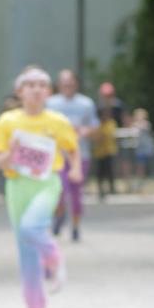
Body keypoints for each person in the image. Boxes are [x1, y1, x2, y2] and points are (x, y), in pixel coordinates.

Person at [0, 67, 81, 308]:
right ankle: (35, 304)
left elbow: (72, 150)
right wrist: (12, 152)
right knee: (25, 248)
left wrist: (75, 169)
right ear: (20, 91)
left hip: (47, 184)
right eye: (30, 85)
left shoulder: (58, 121)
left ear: (49, 91)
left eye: (42, 85)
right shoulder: (7, 121)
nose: (36, 89)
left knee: (32, 227)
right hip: (17, 185)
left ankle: (53, 256)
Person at [46, 69, 97, 242]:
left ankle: (75, 227)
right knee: (59, 191)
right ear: (59, 85)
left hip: (79, 155)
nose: (67, 86)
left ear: (76, 83)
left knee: (76, 194)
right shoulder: (50, 103)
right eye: (64, 83)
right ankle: (59, 217)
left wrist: (84, 131)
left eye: (70, 82)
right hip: (57, 156)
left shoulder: (86, 103)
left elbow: (94, 127)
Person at [92, 106, 118, 200]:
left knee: (110, 171)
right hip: (99, 152)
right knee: (100, 173)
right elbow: (97, 138)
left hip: (109, 151)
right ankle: (101, 190)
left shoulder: (111, 124)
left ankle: (112, 188)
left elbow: (108, 136)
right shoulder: (97, 125)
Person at [130, 108, 154, 192]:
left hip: (145, 150)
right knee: (140, 167)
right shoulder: (135, 125)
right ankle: (139, 183)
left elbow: (144, 128)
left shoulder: (146, 124)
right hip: (138, 149)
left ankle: (141, 183)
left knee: (142, 167)